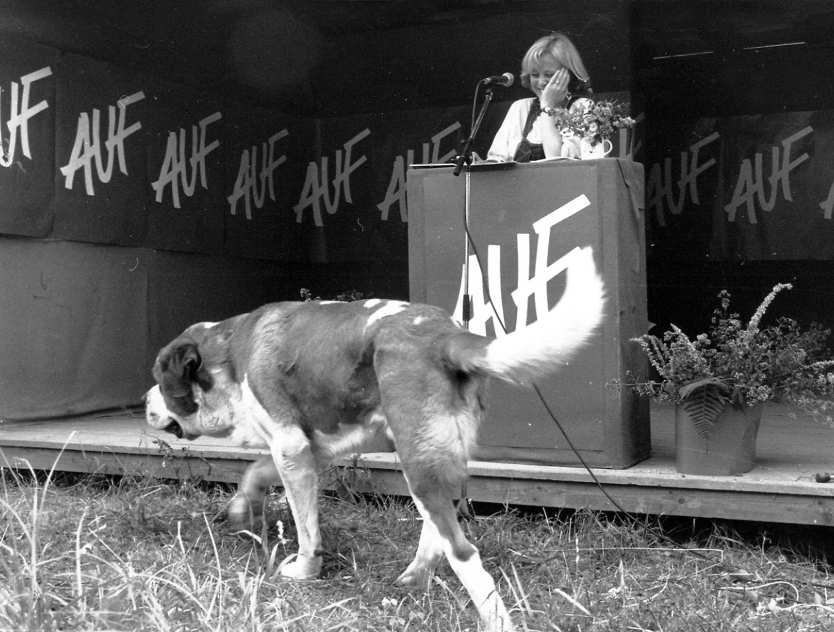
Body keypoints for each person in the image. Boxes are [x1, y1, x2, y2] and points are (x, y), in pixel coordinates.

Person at [487, 32, 593, 162]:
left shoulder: (582, 107)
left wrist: (547, 107)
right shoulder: (520, 108)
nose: (541, 82)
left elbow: (558, 164)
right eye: (535, 75)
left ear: (568, 75)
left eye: (549, 75)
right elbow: (495, 160)